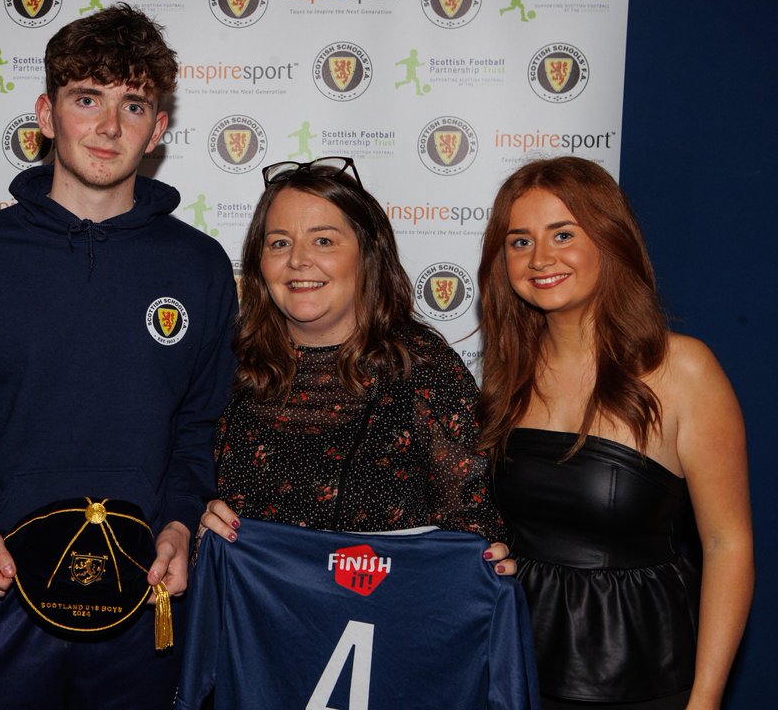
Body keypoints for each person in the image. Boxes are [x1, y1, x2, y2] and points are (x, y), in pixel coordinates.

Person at [0, 4, 237, 709]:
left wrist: (182, 523)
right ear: (46, 112)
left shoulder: (199, 267)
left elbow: (199, 426)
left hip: (141, 595)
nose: (108, 126)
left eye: (133, 105)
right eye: (86, 99)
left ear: (158, 129)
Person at [476, 156, 753, 710]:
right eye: (520, 241)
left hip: (643, 679)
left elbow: (728, 545)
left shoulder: (684, 370)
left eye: (562, 233)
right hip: (513, 667)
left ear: (610, 240)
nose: (541, 258)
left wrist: (705, 701)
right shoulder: (506, 378)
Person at [200, 156, 505, 543]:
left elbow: (475, 525)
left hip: (377, 603)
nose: (297, 260)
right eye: (279, 243)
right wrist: (198, 519)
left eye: (323, 241)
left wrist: (491, 556)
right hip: (246, 602)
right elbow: (178, 483)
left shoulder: (421, 369)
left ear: (368, 253)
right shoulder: (227, 365)